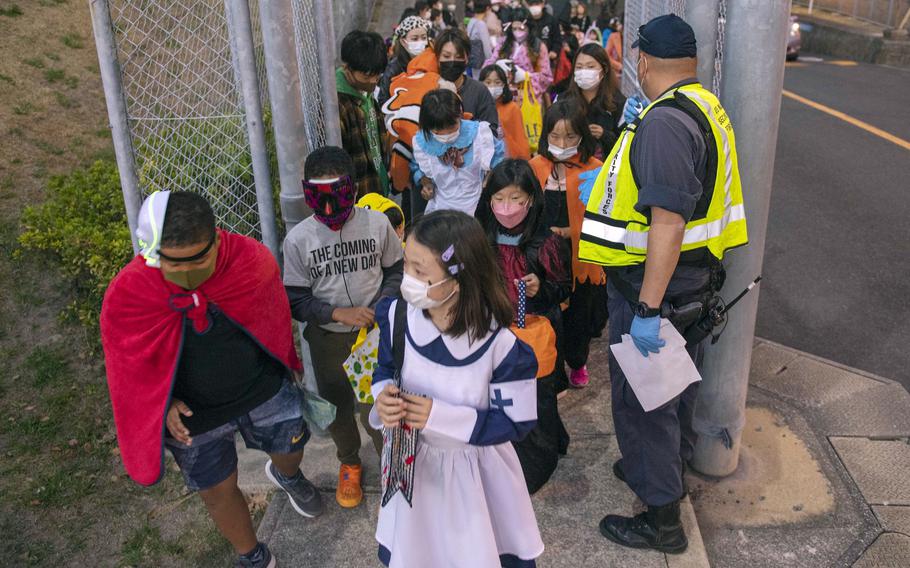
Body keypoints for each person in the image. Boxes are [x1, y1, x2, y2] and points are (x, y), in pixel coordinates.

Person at [578, 14, 748, 553]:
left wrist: (648, 308)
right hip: (690, 287)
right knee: (673, 393)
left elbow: (667, 224)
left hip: (657, 294)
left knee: (643, 404)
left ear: (645, 62)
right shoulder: (702, 106)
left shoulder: (667, 123)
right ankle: (661, 473)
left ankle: (661, 519)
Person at [101, 192, 321, 568]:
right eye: (173, 262)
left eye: (199, 258)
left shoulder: (249, 260)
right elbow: (129, 365)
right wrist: (162, 402)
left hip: (260, 387)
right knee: (216, 490)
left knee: (291, 447)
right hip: (193, 414)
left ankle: (288, 475)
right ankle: (252, 555)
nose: (187, 271)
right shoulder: (130, 293)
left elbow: (273, 319)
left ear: (218, 239)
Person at [370, 210, 545, 567]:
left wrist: (440, 416)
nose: (408, 279)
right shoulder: (397, 316)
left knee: (474, 552)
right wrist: (383, 397)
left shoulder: (500, 345)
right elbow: (386, 368)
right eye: (407, 265)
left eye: (421, 272)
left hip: (477, 477)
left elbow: (516, 421)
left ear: (457, 278)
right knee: (419, 551)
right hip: (414, 467)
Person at [282, 146, 404, 508]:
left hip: (374, 336)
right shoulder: (299, 240)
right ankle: (349, 461)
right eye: (320, 199)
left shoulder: (376, 224)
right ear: (308, 195)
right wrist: (337, 314)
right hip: (328, 340)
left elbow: (396, 270)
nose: (331, 210)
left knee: (378, 402)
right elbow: (297, 299)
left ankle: (391, 462)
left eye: (336, 196)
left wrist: (382, 304)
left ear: (351, 188)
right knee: (336, 405)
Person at [475, 159, 572, 493]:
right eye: (499, 198)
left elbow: (563, 287)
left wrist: (540, 287)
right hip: (492, 331)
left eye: (516, 199)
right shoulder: (480, 237)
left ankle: (538, 459)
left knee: (537, 396)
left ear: (531, 199)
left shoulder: (546, 243)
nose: (507, 208)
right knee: (499, 395)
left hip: (535, 332)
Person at [530, 99, 606, 389]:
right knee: (547, 314)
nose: (562, 143)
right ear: (546, 136)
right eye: (555, 136)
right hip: (544, 258)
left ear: (583, 136)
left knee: (579, 315)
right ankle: (550, 366)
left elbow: (602, 217)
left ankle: (577, 360)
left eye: (570, 136)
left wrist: (568, 231)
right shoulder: (536, 168)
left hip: (581, 257)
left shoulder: (594, 169)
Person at [412, 88, 505, 215]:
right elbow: (418, 168)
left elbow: (498, 162)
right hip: (441, 208)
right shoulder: (422, 142)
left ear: (460, 115)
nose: (446, 134)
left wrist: (489, 182)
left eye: (451, 127)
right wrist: (427, 184)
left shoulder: (480, 134)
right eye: (437, 130)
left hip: (477, 206)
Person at [338, 30, 391, 198]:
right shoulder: (337, 103)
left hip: (377, 185)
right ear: (347, 67)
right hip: (357, 196)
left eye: (377, 74)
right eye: (367, 75)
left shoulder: (365, 91)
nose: (374, 81)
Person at [562, 42, 626, 157]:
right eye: (579, 67)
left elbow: (625, 146)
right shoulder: (563, 100)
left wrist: (604, 135)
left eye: (590, 67)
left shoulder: (619, 103)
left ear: (604, 68)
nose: (584, 71)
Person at [433, 28, 500, 132]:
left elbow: (491, 130)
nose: (452, 61)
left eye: (458, 57)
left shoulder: (479, 91)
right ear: (437, 58)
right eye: (446, 56)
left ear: (467, 59)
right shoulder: (429, 88)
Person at [484, 7, 553, 106]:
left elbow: (546, 78)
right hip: (503, 98)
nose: (517, 32)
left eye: (521, 28)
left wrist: (527, 76)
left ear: (529, 27)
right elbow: (487, 67)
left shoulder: (538, 46)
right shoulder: (503, 43)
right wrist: (497, 65)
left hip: (528, 101)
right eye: (514, 28)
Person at [378, 16, 432, 109]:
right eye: (415, 39)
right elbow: (383, 99)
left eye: (423, 37)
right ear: (403, 42)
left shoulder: (432, 62)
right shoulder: (394, 68)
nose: (420, 42)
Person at [480, 63, 531, 159]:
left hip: (508, 159)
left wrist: (525, 161)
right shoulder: (478, 107)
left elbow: (520, 138)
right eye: (488, 82)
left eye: (497, 82)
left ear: (504, 85)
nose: (493, 86)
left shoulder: (512, 108)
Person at [467, 0, 494, 78]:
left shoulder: (471, 21)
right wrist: (491, 61)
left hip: (473, 60)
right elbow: (487, 47)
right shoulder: (481, 24)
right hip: (481, 62)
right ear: (487, 8)